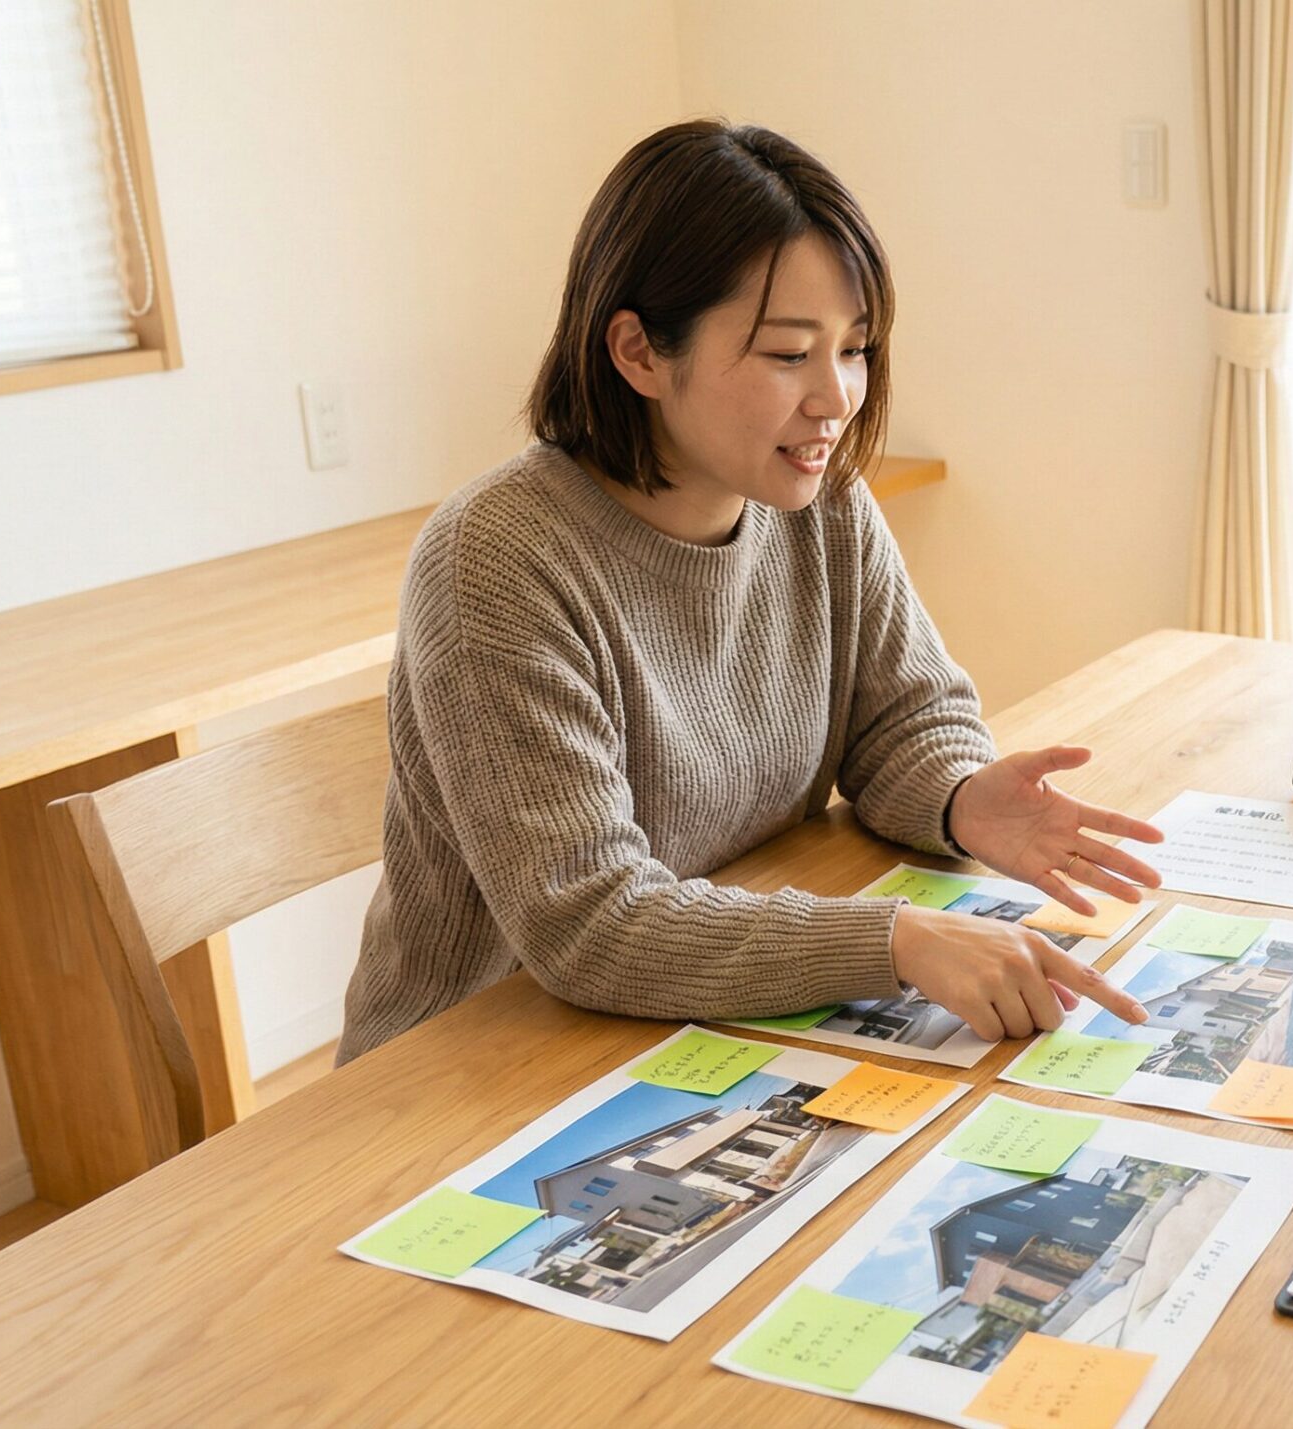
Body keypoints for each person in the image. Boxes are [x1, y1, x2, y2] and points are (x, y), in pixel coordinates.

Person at [340, 120, 1155, 1061]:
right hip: (474, 1066)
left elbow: (899, 719)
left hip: (703, 1021)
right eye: (786, 353)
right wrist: (890, 938)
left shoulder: (820, 500)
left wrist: (960, 796)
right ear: (638, 352)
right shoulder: (495, 560)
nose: (837, 397)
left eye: (854, 348)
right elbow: (591, 924)